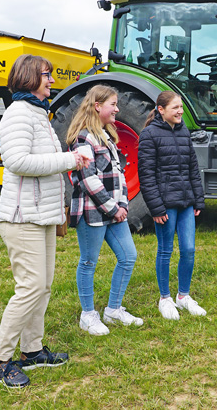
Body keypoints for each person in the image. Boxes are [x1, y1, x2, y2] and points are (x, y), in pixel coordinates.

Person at [0, 54, 87, 388]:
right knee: (29, 287)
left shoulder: (37, 114)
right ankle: (0, 361)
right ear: (30, 77)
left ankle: (32, 351)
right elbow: (17, 161)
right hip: (21, 218)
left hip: (42, 216)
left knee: (42, 287)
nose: (51, 80)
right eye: (47, 74)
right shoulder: (18, 114)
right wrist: (69, 160)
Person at [66, 85, 143, 335]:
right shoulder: (83, 137)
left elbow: (118, 175)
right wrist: (113, 208)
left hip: (113, 211)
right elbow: (88, 179)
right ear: (98, 106)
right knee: (89, 262)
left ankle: (113, 309)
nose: (117, 109)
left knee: (128, 256)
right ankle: (87, 315)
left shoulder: (106, 135)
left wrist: (122, 205)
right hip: (92, 212)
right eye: (113, 104)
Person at [138, 91, 207, 320]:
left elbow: (192, 169)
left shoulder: (184, 131)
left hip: (186, 201)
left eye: (181, 107)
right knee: (165, 251)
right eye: (175, 107)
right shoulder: (149, 135)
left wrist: (198, 198)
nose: (180, 111)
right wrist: (156, 208)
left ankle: (183, 296)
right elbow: (146, 175)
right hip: (165, 204)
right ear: (161, 110)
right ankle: (165, 298)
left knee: (188, 250)